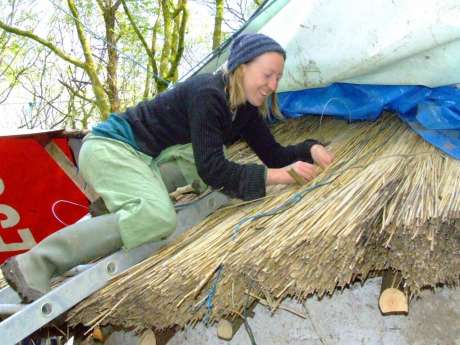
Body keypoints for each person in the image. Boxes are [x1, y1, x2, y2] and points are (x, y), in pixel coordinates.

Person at [1, 33, 334, 302]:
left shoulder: (244, 109)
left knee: (200, 153)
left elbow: (274, 154)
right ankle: (36, 264)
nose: (273, 84)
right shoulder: (208, 93)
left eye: (278, 76)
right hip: (110, 148)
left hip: (145, 160)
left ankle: (117, 203)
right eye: (267, 74)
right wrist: (275, 178)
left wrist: (309, 149)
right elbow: (214, 170)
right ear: (241, 67)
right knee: (158, 218)